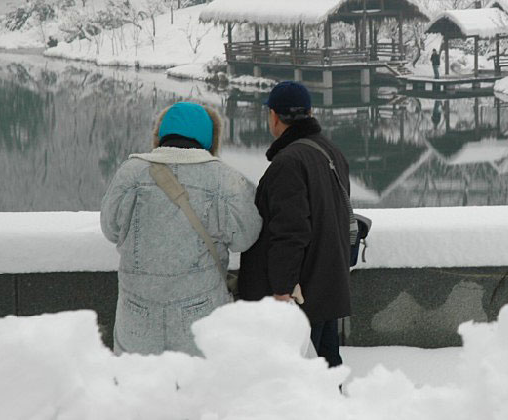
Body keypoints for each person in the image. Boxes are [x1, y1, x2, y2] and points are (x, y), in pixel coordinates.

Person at [101, 102, 262, 356]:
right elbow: (246, 237)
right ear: (209, 139)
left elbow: (110, 229)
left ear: (161, 135)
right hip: (201, 311)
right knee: (196, 379)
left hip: (137, 309)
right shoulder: (225, 179)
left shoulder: (130, 173)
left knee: (136, 378)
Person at [239, 81, 352, 367]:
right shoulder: (331, 151)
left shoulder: (289, 162)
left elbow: (290, 232)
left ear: (273, 116)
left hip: (301, 294)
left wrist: (281, 290)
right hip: (327, 283)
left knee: (297, 373)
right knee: (326, 366)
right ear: (310, 112)